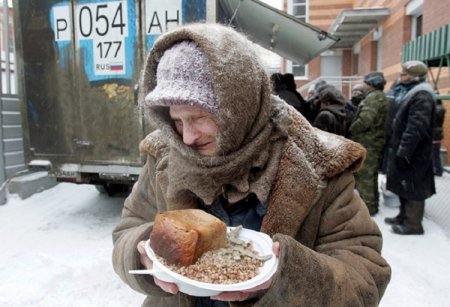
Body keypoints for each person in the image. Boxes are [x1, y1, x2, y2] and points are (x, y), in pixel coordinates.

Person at [112, 23, 391, 306]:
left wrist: (282, 282)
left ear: (239, 105)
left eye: (198, 117)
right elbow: (129, 228)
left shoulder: (319, 163)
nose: (187, 136)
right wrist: (146, 253)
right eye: (177, 120)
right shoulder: (164, 155)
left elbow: (365, 274)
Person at [384, 60, 436, 235]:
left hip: (414, 153)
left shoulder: (422, 96)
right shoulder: (408, 92)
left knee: (413, 187)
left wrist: (405, 150)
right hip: (405, 149)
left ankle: (413, 224)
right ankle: (403, 216)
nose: (401, 77)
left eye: (405, 74)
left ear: (416, 77)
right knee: (403, 185)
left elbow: (416, 126)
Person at [349, 72, 388, 216]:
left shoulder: (373, 99)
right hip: (373, 142)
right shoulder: (378, 97)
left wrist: (351, 129)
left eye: (365, 82)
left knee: (365, 177)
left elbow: (365, 120)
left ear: (371, 84)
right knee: (370, 176)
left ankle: (367, 209)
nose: (363, 85)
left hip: (369, 142)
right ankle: (372, 205)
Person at [432, 98, 446, 176]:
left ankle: (435, 169)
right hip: (439, 133)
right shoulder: (442, 109)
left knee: (433, 152)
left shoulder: (435, 110)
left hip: (434, 133)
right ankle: (439, 170)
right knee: (436, 153)